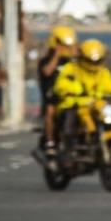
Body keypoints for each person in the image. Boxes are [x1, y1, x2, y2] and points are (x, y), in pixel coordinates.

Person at [52, 38, 111, 137]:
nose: (94, 64)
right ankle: (69, 149)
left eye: (97, 61)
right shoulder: (72, 68)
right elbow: (61, 85)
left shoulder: (103, 72)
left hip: (97, 105)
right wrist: (75, 90)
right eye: (90, 61)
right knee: (69, 127)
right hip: (75, 105)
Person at [38, 26, 79, 154]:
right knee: (50, 113)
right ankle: (50, 143)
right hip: (53, 99)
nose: (66, 48)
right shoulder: (46, 61)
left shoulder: (72, 62)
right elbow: (47, 72)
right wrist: (57, 55)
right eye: (63, 45)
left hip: (71, 98)